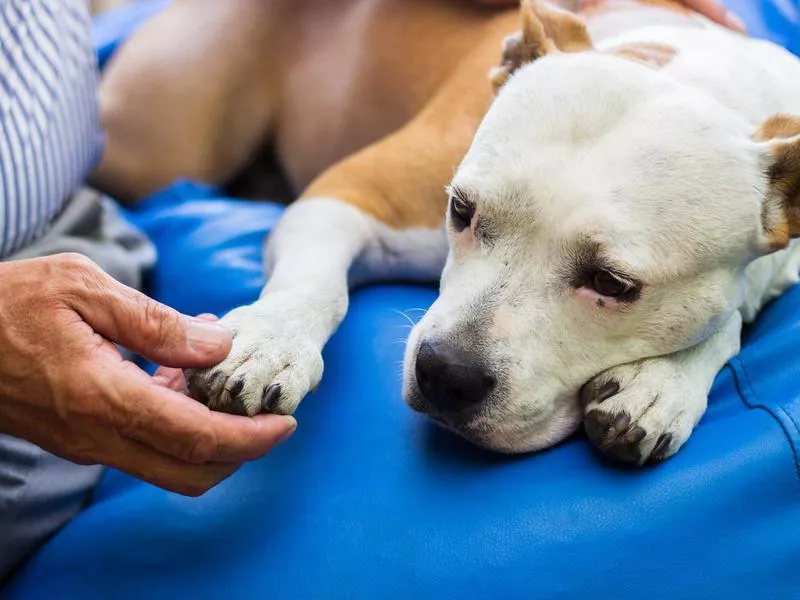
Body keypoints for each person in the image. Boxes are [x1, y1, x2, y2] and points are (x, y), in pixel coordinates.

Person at [0, 0, 744, 581]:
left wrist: (699, 355)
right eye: (469, 216)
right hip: (261, 43)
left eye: (610, 282)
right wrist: (292, 315)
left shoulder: (725, 196)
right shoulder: (542, 115)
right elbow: (341, 204)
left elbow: (739, 273)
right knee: (135, 159)